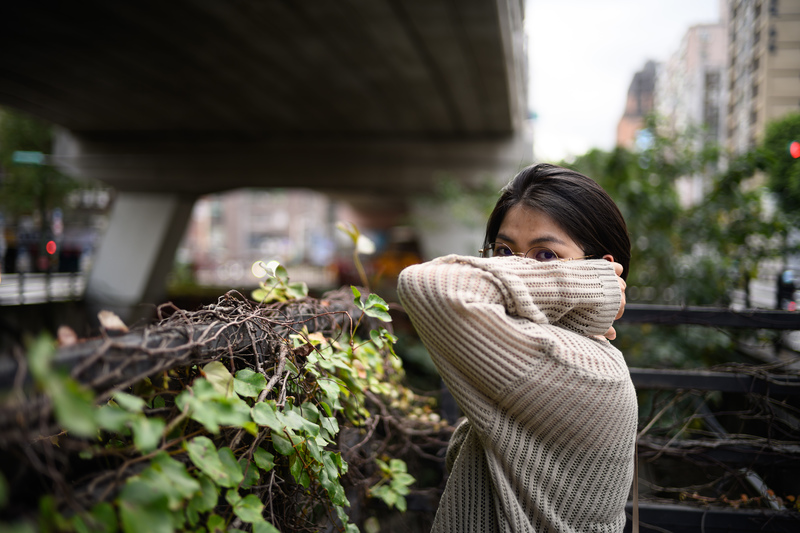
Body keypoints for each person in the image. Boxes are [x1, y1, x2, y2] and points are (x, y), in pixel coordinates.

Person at [398, 164, 636, 533]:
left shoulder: (584, 366)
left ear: (598, 271)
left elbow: (426, 284)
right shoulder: (546, 344)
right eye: (504, 252)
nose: (519, 269)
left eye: (546, 257)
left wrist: (590, 284)